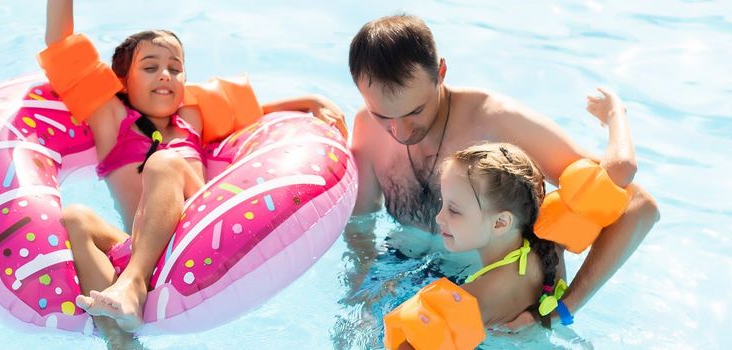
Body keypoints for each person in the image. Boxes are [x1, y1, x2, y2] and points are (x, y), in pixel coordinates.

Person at [38, 0, 347, 338]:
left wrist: (308, 102)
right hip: (139, 246)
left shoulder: (192, 117)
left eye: (175, 67)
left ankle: (134, 283)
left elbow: (258, 113)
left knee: (164, 162)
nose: (165, 75)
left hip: (195, 239)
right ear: (123, 83)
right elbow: (60, 42)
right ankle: (120, 339)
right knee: (75, 218)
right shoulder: (110, 118)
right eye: (150, 67)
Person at [345, 14, 659, 330]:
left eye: (415, 111)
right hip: (402, 273)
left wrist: (564, 308)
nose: (400, 131)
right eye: (382, 115)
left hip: (493, 298)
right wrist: (360, 293)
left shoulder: (500, 123)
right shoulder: (367, 129)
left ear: (440, 72)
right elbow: (359, 228)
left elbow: (637, 206)